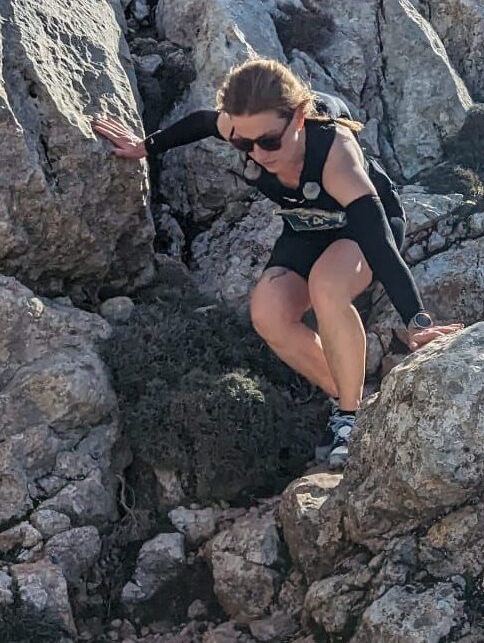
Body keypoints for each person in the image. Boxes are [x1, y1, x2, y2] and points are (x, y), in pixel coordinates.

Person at [93, 59, 462, 469]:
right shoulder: (246, 127)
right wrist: (145, 146)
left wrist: (418, 323)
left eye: (268, 142)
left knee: (327, 286)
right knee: (268, 313)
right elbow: (200, 123)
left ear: (299, 117)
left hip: (359, 228)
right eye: (243, 145)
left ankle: (351, 418)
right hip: (307, 226)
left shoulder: (334, 153)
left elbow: (378, 241)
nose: (256, 153)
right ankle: (353, 402)